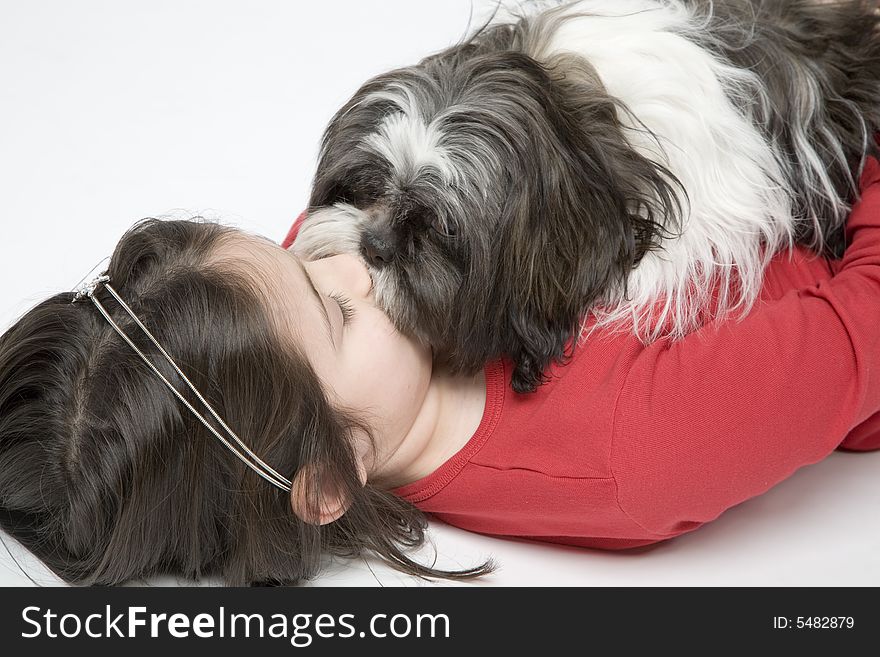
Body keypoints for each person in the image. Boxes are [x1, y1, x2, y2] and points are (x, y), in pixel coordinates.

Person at [2, 157, 880, 587]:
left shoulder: (308, 314)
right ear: (325, 482)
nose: (347, 244)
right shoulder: (635, 442)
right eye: (331, 305)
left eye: (294, 253)